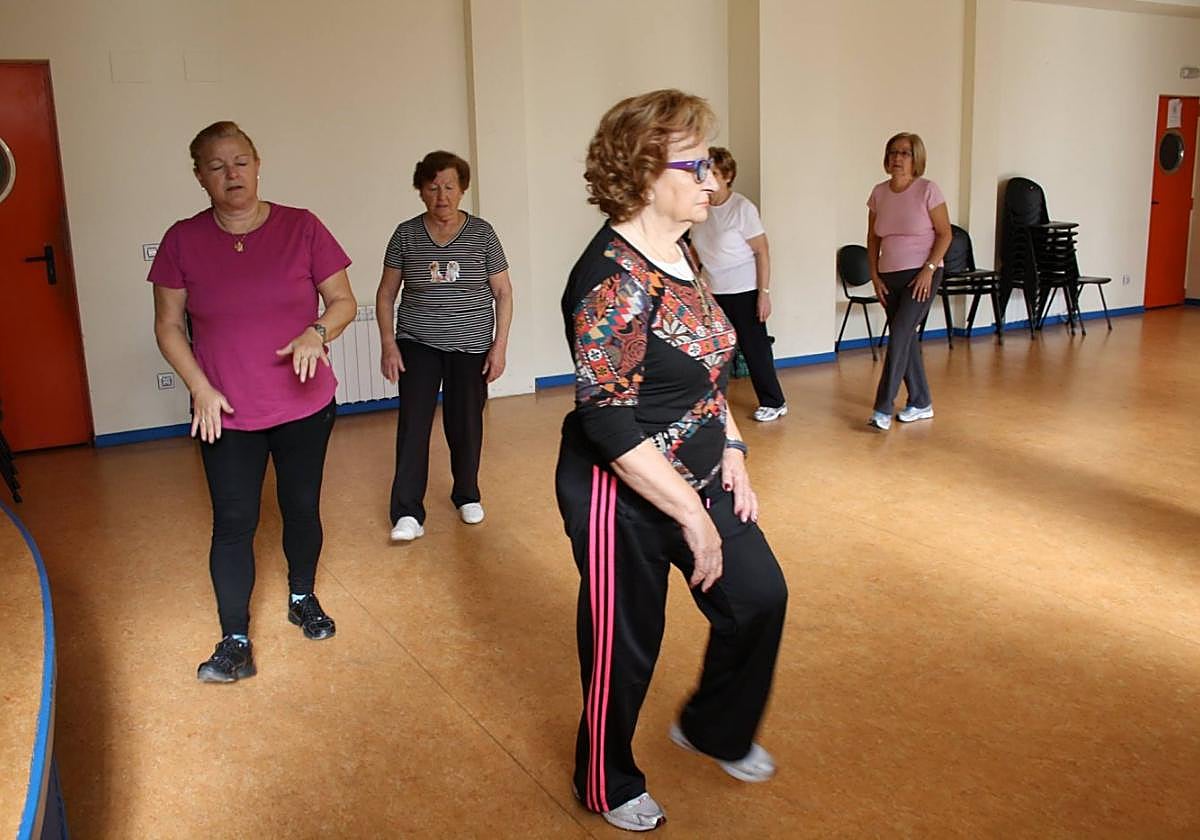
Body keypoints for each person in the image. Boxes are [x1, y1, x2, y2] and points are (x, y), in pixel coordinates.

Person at [555, 90, 788, 832]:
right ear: (644, 168)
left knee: (759, 598)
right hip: (618, 486)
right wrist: (693, 518)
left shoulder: (679, 252)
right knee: (626, 645)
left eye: (710, 165)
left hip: (699, 466)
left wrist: (737, 451)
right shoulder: (610, 278)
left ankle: (714, 726)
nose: (712, 182)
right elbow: (612, 428)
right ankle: (607, 780)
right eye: (696, 166)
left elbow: (709, 362)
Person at [149, 120, 357, 683]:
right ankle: (234, 639)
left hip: (305, 405)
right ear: (199, 177)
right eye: (216, 166)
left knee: (301, 506)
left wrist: (317, 332)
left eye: (240, 161)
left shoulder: (302, 226)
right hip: (225, 412)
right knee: (234, 522)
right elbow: (168, 326)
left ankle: (301, 596)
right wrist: (199, 386)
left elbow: (343, 301)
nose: (231, 174)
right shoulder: (182, 240)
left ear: (258, 164)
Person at [375, 151, 513, 542]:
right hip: (417, 342)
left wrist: (498, 347)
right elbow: (386, 293)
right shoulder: (405, 234)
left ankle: (467, 493)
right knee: (413, 425)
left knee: (466, 424)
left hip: (471, 345)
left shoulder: (483, 234)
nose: (442, 195)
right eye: (433, 187)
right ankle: (407, 512)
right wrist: (389, 344)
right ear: (421, 191)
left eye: (449, 187)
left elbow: (502, 292)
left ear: (462, 189)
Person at [689, 146, 787, 422]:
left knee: (755, 349)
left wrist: (764, 293)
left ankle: (774, 401)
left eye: (714, 173)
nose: (707, 179)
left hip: (744, 289)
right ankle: (709, 402)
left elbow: (763, 251)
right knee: (712, 348)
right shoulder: (701, 208)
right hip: (713, 290)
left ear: (728, 175)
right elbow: (696, 248)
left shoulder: (742, 208)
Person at [865, 132, 952, 430]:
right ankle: (921, 400)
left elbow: (945, 233)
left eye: (904, 153)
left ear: (916, 159)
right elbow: (873, 237)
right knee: (907, 339)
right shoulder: (879, 192)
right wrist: (874, 275)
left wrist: (929, 269)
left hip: (922, 275)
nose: (897, 158)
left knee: (900, 334)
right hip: (889, 275)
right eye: (893, 152)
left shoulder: (928, 190)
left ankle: (883, 406)